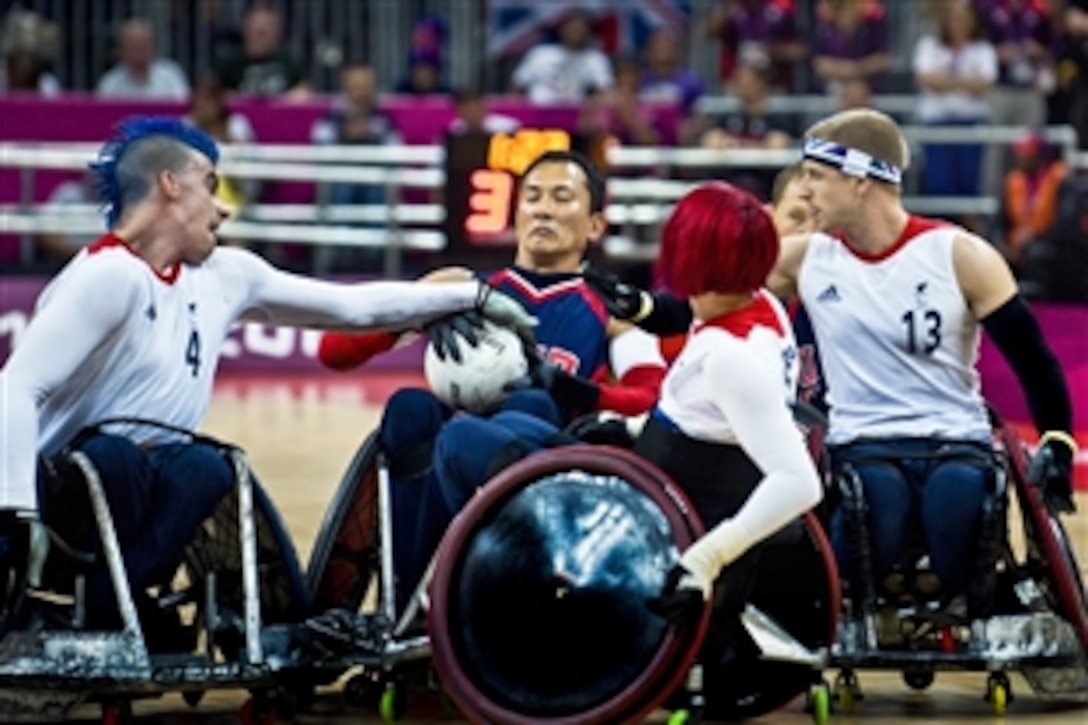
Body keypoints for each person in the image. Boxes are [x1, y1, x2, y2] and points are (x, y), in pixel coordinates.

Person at [0, 116, 536, 644]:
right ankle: (88, 608)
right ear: (170, 185)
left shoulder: (229, 275)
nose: (224, 207)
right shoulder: (107, 274)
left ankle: (110, 610)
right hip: (60, 495)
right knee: (112, 457)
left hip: (152, 482)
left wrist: (472, 295)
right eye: (210, 187)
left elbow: (351, 307)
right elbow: (15, 388)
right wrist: (15, 516)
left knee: (205, 467)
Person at [592, 108, 1077, 613]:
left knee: (955, 526)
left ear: (861, 180)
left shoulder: (961, 255)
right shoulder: (807, 257)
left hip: (954, 439)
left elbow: (1035, 362)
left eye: (816, 176)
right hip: (860, 444)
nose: (804, 190)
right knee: (874, 527)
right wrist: (642, 306)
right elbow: (718, 292)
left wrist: (1058, 441)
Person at [317, 150, 667, 607]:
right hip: (448, 460)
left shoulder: (612, 313)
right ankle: (403, 604)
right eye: (532, 197)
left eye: (562, 198)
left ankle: (457, 591)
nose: (543, 208)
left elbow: (652, 399)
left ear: (595, 226)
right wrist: (421, 306)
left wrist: (575, 390)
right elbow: (333, 353)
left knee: (532, 405)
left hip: (547, 475)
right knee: (409, 408)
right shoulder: (463, 286)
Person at [629, 182, 822, 668]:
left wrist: (705, 559)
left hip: (672, 513)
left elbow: (799, 484)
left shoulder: (730, 358)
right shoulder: (756, 301)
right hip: (671, 466)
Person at [212, 3, 309, 99]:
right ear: (245, 29)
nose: (261, 35)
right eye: (257, 30)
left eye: (267, 29)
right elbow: (211, 92)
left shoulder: (288, 61)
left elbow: (304, 90)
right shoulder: (230, 62)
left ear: (278, 32)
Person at [95, 18, 189, 100]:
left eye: (144, 44)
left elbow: (183, 111)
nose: (139, 50)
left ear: (153, 46)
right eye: (133, 46)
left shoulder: (171, 76)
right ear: (121, 50)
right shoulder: (110, 83)